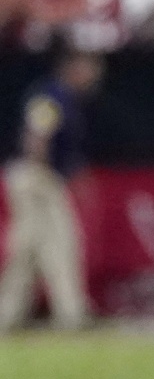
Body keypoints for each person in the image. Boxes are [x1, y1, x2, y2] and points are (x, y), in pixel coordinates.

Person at [1, 47, 100, 332]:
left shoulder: (64, 98)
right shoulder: (52, 95)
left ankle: (7, 316)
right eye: (88, 66)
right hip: (36, 178)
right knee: (61, 243)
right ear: (72, 67)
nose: (92, 74)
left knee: (26, 249)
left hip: (31, 176)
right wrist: (44, 174)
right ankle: (71, 314)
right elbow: (37, 135)